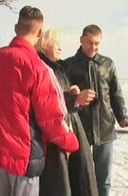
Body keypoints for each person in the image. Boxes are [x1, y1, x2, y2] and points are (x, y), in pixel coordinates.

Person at [0, 6, 79, 196]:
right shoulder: (38, 68)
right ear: (39, 32)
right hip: (23, 157)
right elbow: (52, 119)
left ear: (15, 29)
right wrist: (71, 143)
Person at [64, 24, 128, 196]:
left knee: (104, 180)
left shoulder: (107, 64)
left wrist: (122, 116)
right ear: (81, 40)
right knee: (80, 177)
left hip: (105, 128)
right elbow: (62, 95)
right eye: (90, 43)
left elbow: (116, 93)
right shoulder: (68, 65)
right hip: (80, 129)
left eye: (97, 44)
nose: (93, 47)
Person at [35, 29, 98, 196]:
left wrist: (73, 93)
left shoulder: (59, 67)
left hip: (70, 126)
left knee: (80, 176)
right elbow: (45, 100)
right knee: (60, 182)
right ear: (44, 43)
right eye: (56, 42)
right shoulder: (41, 67)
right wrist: (73, 99)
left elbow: (59, 93)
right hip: (54, 133)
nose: (60, 46)